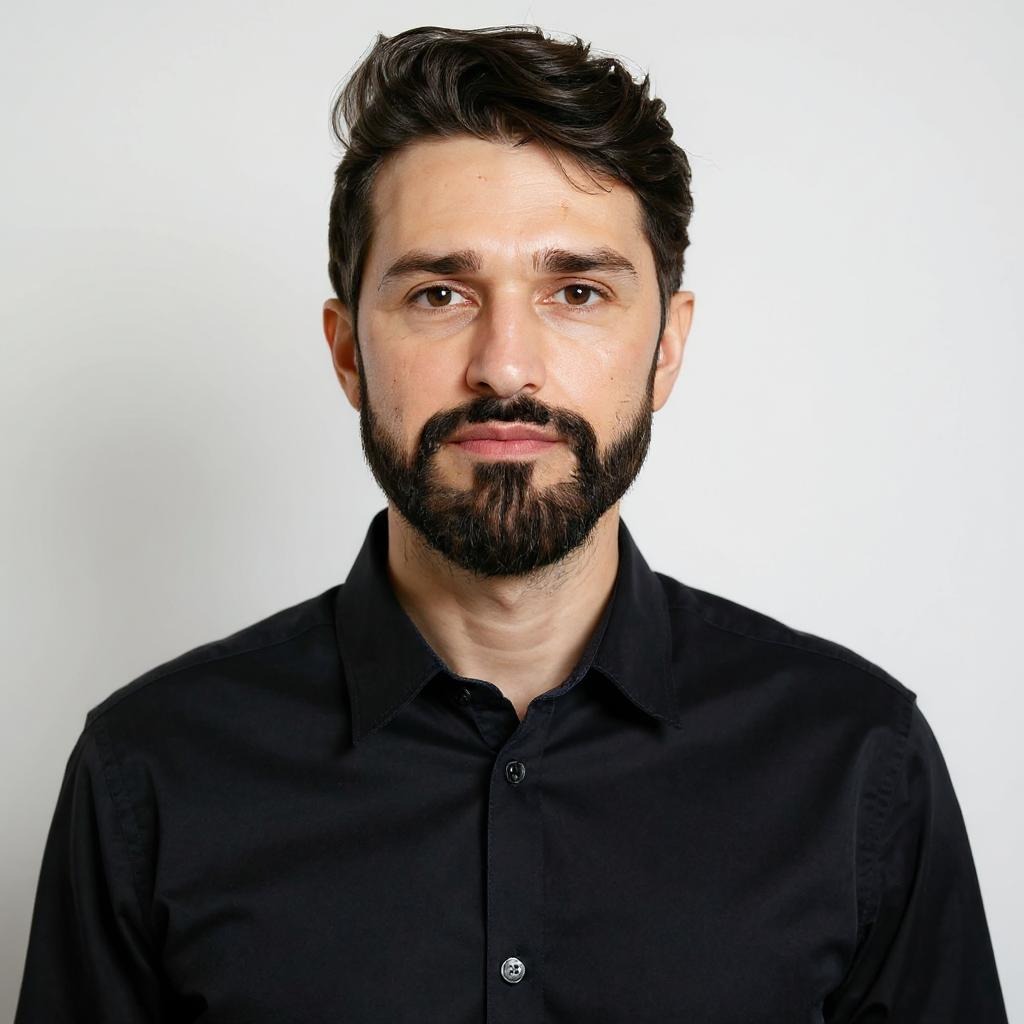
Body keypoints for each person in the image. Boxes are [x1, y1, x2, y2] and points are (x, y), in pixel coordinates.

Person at [14, 24, 1008, 1023]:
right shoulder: (149, 771)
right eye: (439, 293)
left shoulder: (855, 760)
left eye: (576, 292)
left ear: (665, 349)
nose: (504, 364)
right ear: (348, 351)